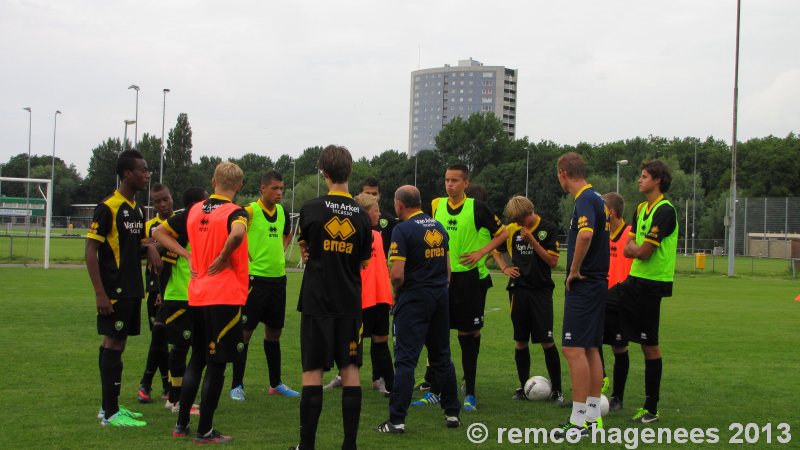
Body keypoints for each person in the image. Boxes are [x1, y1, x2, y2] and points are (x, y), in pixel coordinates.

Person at [154, 162, 249, 444]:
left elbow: (159, 232)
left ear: (214, 180)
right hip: (225, 295)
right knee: (217, 363)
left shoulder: (195, 210)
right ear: (239, 187)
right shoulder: (236, 212)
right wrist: (222, 258)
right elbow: (238, 233)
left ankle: (181, 423)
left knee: (196, 358)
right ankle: (205, 430)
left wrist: (186, 254)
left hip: (197, 293)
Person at [291, 145, 373, 450]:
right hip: (349, 304)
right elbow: (364, 262)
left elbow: (306, 247)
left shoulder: (311, 209)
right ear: (350, 172)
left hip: (316, 301)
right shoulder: (363, 217)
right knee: (350, 371)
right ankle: (348, 445)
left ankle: (307, 446)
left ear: (323, 173)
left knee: (312, 372)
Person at [414, 162, 507, 412]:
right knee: (436, 336)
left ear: (466, 183)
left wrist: (481, 252)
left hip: (469, 281)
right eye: (446, 180)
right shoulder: (436, 205)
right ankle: (435, 389)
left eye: (454, 180)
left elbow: (503, 233)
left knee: (467, 335)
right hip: (440, 279)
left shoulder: (477, 207)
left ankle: (471, 392)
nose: (449, 184)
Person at [375, 185, 460, 433]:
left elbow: (398, 274)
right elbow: (448, 268)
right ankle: (452, 413)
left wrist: (396, 293)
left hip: (414, 299)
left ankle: (397, 420)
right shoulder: (438, 227)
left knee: (405, 361)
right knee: (442, 356)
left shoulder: (402, 230)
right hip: (440, 296)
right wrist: (440, 290)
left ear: (399, 204)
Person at [86, 149, 159, 427]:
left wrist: (150, 247)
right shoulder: (108, 207)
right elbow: (91, 250)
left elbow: (137, 244)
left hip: (132, 288)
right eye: (142, 170)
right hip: (114, 289)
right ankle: (110, 412)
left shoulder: (138, 209)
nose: (147, 174)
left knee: (117, 343)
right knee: (113, 343)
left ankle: (110, 407)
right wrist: (100, 293)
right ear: (127, 174)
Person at [230, 170, 299, 400]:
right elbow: (233, 234)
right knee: (245, 333)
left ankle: (275, 383)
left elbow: (287, 234)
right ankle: (236, 385)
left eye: (282, 188)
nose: (279, 193)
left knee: (274, 333)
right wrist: (248, 256)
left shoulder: (282, 212)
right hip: (254, 281)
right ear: (263, 188)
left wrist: (279, 249)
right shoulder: (249, 211)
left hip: (278, 280)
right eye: (275, 188)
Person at [619, 160, 678, 424]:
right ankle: (607, 390)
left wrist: (635, 249)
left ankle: (651, 409)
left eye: (643, 176)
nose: (639, 180)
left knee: (649, 346)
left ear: (657, 180)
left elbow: (642, 251)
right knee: (598, 313)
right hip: (634, 280)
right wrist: (634, 249)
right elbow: (627, 247)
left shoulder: (665, 210)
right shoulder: (642, 208)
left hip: (652, 285)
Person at [555, 152, 609, 437]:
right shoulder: (599, 197)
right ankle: (592, 417)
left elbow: (586, 235)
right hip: (598, 282)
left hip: (586, 284)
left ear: (563, 172)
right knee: (589, 348)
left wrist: (573, 270)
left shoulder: (585, 199)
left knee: (573, 348)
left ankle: (578, 422)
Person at [492, 196, 564, 404]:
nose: (518, 224)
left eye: (520, 219)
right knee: (520, 341)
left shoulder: (547, 228)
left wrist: (532, 240)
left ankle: (557, 390)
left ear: (528, 213)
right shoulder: (512, 229)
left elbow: (552, 261)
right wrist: (505, 267)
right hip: (518, 291)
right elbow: (497, 249)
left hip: (541, 291)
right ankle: (524, 386)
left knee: (547, 340)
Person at [157, 187, 207, 415]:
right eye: (205, 200)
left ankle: (179, 396)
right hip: (178, 297)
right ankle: (174, 399)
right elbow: (164, 263)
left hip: (195, 296)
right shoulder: (182, 225)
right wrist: (161, 292)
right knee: (180, 347)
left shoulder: (198, 224)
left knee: (192, 347)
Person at [354, 192, 394, 395]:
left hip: (381, 298)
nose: (380, 213)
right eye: (376, 210)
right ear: (364, 213)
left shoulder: (378, 235)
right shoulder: (354, 234)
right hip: (361, 298)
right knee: (355, 343)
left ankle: (389, 383)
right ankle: (350, 382)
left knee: (381, 342)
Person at [137, 183, 174, 404]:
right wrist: (151, 245)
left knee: (166, 339)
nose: (162, 204)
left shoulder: (178, 224)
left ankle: (154, 384)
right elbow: (140, 248)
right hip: (154, 288)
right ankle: (160, 385)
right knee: (158, 338)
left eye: (165, 199)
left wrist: (155, 243)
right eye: (157, 202)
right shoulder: (149, 225)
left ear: (171, 198)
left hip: (174, 287)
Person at [600, 192, 634, 412]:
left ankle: (617, 398)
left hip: (621, 301)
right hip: (598, 297)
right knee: (590, 344)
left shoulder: (630, 234)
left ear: (610, 212)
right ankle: (593, 390)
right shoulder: (599, 234)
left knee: (619, 347)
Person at [359, 177, 399, 257]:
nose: (371, 197)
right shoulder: (353, 217)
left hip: (379, 266)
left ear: (379, 195)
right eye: (367, 193)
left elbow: (395, 249)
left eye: (374, 194)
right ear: (360, 194)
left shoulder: (390, 220)